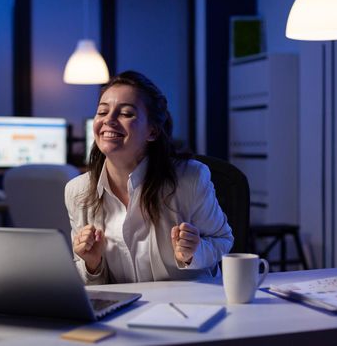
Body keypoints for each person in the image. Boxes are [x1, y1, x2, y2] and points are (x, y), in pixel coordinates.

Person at [64, 71, 233, 284]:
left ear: (152, 131)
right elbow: (90, 284)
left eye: (126, 113)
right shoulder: (77, 190)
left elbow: (223, 240)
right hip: (123, 312)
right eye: (102, 112)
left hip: (188, 307)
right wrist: (91, 264)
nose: (109, 120)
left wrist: (194, 252)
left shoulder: (191, 177)